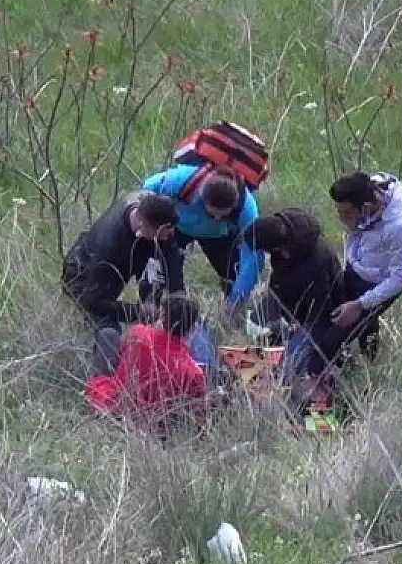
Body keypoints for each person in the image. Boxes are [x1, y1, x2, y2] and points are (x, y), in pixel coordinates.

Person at [140, 164, 263, 317]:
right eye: (212, 214)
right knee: (164, 277)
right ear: (201, 198)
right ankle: (165, 316)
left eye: (223, 216)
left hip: (219, 237)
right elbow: (146, 189)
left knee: (232, 274)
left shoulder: (247, 208)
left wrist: (237, 297)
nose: (217, 218)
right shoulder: (181, 180)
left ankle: (233, 317)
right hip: (176, 228)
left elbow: (253, 256)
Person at [323, 171, 402, 362]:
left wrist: (360, 305)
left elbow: (399, 278)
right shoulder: (370, 187)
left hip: (377, 284)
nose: (341, 218)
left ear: (367, 207)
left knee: (331, 341)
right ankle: (366, 361)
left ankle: (358, 378)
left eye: (347, 213)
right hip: (355, 269)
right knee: (341, 322)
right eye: (338, 211)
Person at [84, 292, 211, 436]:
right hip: (157, 427)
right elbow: (200, 415)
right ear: (193, 328)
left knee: (107, 334)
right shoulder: (192, 372)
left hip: (117, 408)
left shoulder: (137, 333)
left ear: (162, 317)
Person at [242, 208, 345, 378]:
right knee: (255, 322)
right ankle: (282, 336)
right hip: (288, 296)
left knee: (287, 368)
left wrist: (301, 329)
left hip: (317, 316)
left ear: (276, 248)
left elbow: (320, 310)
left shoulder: (315, 264)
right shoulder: (286, 231)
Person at [61, 191, 182, 331]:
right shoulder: (109, 245)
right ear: (145, 227)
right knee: (108, 331)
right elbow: (93, 301)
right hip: (84, 276)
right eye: (164, 235)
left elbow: (171, 253)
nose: (168, 238)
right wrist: (138, 312)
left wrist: (175, 296)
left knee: (161, 297)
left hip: (127, 255)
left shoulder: (152, 207)